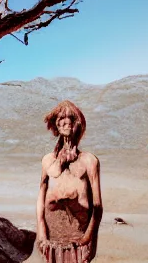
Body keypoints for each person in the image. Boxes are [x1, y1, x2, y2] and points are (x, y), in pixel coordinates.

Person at [36, 100, 103, 262]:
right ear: (56, 125)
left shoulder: (89, 161)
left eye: (70, 119)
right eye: (61, 119)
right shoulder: (47, 160)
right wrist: (42, 231)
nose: (66, 123)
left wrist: (89, 238)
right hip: (53, 236)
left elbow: (97, 206)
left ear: (77, 124)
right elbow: (41, 195)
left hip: (78, 237)